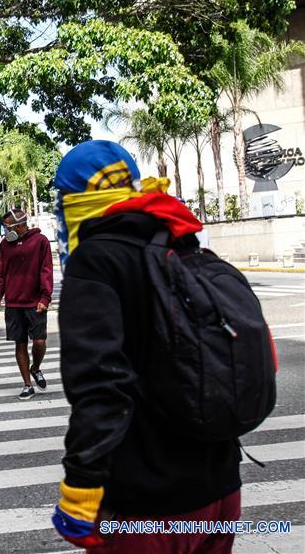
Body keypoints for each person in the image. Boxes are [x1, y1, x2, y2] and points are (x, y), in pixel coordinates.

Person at [50, 140, 243, 552]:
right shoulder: (179, 240)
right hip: (220, 491)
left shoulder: (97, 262)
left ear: (76, 199)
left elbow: (101, 388)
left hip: (146, 508)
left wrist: (81, 490)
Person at [0, 209, 53, 400]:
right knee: (20, 344)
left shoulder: (40, 241)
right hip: (14, 303)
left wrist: (45, 298)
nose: (5, 231)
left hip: (35, 302)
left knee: (40, 341)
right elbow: (0, 270)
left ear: (19, 225)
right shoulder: (5, 245)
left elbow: (46, 270)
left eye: (8, 227)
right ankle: (27, 385)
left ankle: (35, 367)